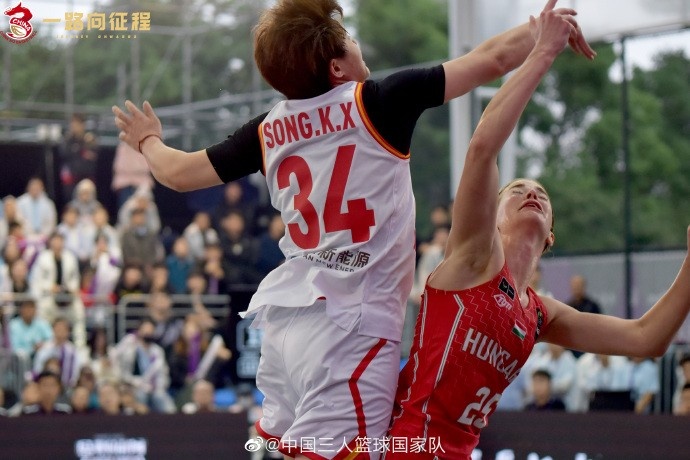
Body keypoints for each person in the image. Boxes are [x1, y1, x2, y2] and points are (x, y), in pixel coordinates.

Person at [113, 0, 594, 457]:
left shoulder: (265, 131)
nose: (358, 44)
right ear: (337, 68)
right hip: (350, 327)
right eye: (349, 39)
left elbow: (177, 172)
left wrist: (148, 140)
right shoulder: (378, 103)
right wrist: (543, 32)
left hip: (286, 324)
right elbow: (492, 59)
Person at [387, 8, 690, 459]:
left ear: (550, 236)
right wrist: (543, 52)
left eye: (541, 193)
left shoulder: (539, 314)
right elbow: (483, 147)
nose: (531, 193)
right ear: (492, 217)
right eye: (517, 190)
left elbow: (647, 339)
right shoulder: (474, 256)